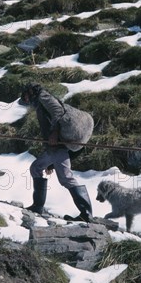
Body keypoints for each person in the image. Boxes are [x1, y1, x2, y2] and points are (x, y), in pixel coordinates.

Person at [19, 83, 93, 222]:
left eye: (26, 96)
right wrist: (51, 164)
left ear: (31, 92)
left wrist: (54, 132)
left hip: (58, 145)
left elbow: (58, 112)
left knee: (66, 178)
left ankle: (86, 213)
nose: (26, 100)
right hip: (58, 145)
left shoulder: (43, 96)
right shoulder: (41, 102)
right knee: (36, 167)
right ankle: (37, 206)